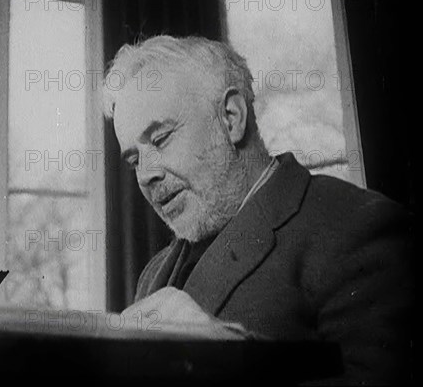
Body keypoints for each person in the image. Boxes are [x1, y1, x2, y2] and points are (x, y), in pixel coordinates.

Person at [102, 35, 413, 384]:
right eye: (134, 160)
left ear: (231, 118)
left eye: (161, 139)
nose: (146, 174)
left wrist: (228, 358)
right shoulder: (153, 273)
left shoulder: (358, 227)